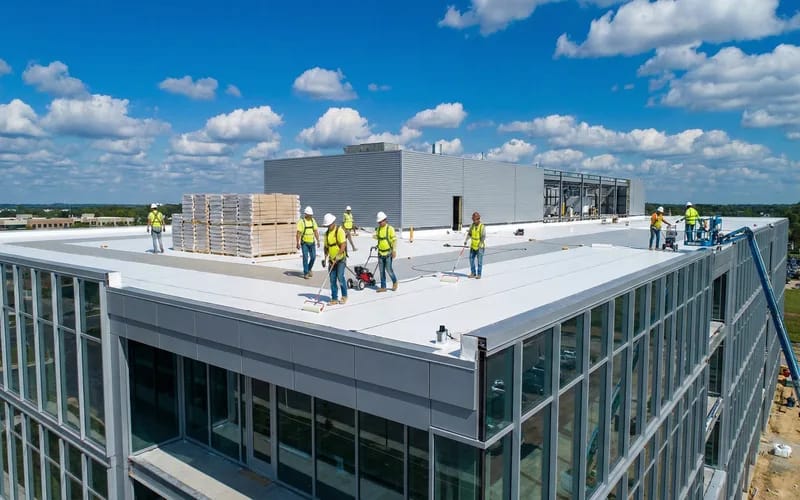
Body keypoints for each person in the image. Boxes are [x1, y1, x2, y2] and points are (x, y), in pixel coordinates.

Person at [322, 213, 348, 305]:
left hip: (340, 259)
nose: (328, 226)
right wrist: (325, 258)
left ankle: (344, 296)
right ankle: (334, 298)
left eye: (329, 225)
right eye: (327, 225)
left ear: (333, 222)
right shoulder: (326, 234)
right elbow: (326, 247)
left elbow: (343, 245)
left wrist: (338, 256)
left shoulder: (339, 231)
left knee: (340, 277)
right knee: (332, 279)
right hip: (331, 261)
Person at [374, 211, 398, 292]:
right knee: (381, 271)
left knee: (389, 270)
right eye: (379, 222)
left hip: (388, 253)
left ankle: (395, 282)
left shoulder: (390, 229)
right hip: (380, 253)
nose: (380, 223)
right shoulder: (378, 229)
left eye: (381, 222)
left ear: (385, 220)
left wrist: (394, 251)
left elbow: (394, 240)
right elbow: (378, 238)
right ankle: (383, 287)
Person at [296, 206, 320, 279]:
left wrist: (318, 240)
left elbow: (315, 231)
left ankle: (309, 269)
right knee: (305, 258)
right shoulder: (301, 222)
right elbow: (298, 233)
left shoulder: (313, 221)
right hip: (304, 243)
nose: (310, 216)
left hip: (312, 243)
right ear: (305, 214)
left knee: (313, 257)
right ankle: (306, 273)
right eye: (309, 215)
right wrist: (297, 242)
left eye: (311, 215)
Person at [464, 211, 486, 278]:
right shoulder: (472, 225)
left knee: (479, 261)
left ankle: (479, 274)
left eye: (475, 219)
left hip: (480, 247)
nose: (474, 221)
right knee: (471, 259)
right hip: (473, 246)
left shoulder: (482, 227)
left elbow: (483, 236)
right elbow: (470, 234)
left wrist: (481, 243)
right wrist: (466, 240)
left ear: (478, 219)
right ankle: (473, 273)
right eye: (473, 219)